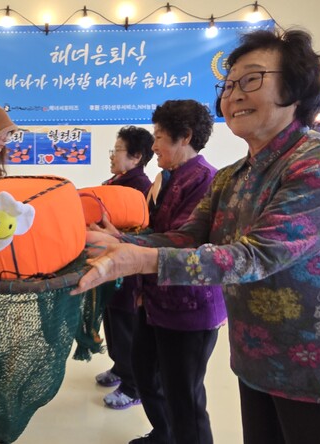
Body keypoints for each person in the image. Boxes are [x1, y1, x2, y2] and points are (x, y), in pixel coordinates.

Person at [74, 28, 320, 444]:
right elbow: (187, 237)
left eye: (251, 79)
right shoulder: (232, 177)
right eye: (229, 84)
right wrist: (122, 244)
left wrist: (138, 259)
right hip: (260, 360)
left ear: (296, 89)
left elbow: (257, 256)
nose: (234, 94)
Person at [94, 104, 226, 442]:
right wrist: (120, 235)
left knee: (185, 397)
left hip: (189, 306)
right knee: (145, 373)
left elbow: (183, 239)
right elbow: (158, 230)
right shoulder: (169, 178)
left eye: (159, 138)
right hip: (155, 298)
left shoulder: (205, 180)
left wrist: (122, 241)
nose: (153, 147)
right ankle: (164, 434)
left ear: (185, 137)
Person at [93, 125, 155, 410]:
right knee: (113, 321)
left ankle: (133, 387)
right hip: (111, 265)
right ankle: (119, 368)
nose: (112, 155)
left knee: (126, 327)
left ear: (136, 156)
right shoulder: (116, 183)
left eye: (118, 150)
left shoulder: (139, 188)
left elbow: (138, 231)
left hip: (127, 271)